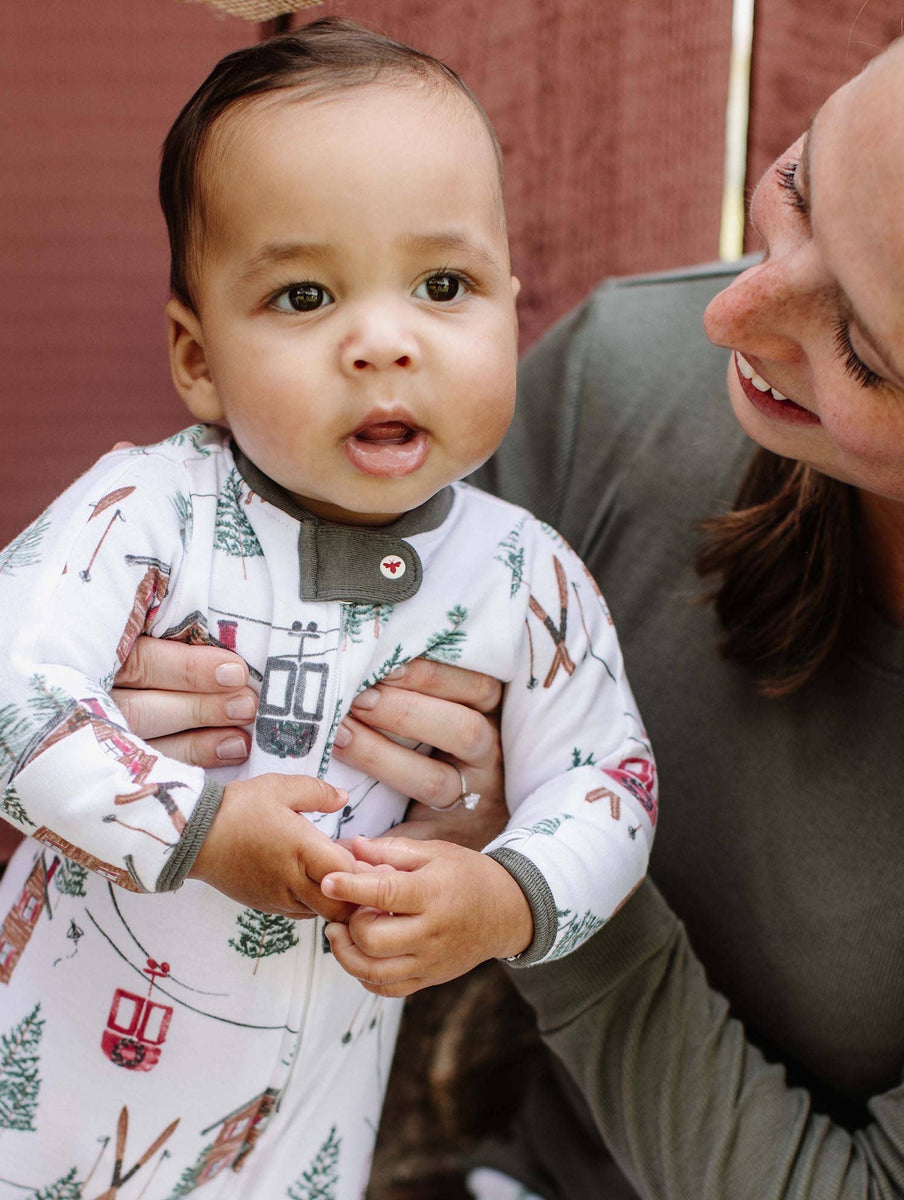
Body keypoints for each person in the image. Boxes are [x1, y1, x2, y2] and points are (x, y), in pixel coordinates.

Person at [0, 19, 659, 1200]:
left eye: (443, 285)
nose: (384, 342)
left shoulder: (528, 576)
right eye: (306, 294)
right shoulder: (147, 512)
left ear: (511, 305)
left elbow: (612, 785)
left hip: (290, 1140)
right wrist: (200, 833)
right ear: (197, 355)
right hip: (27, 1099)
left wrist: (507, 897)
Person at [116, 33, 904, 1200]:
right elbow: (310, 606)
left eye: (861, 348)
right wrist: (167, 702)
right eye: (798, 182)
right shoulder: (623, 384)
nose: (729, 317)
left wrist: (539, 881)